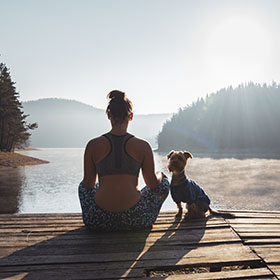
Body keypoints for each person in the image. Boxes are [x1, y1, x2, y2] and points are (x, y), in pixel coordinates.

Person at [79, 90, 169, 231]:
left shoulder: (93, 145)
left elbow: (88, 185)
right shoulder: (143, 146)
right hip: (136, 218)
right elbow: (152, 184)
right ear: (131, 116)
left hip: (98, 219)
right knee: (163, 183)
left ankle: (95, 214)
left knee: (82, 187)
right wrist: (160, 175)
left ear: (109, 115)